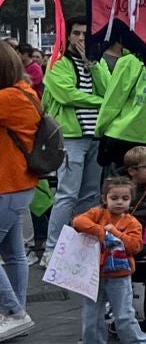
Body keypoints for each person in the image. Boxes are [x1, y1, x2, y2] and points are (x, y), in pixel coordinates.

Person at [70, 173, 146, 344]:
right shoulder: (97, 214)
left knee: (123, 312)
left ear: (130, 200)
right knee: (91, 313)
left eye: (124, 198)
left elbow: (135, 246)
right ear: (104, 199)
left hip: (120, 274)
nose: (119, 202)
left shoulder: (132, 222)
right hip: (94, 273)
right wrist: (102, 232)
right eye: (114, 198)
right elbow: (78, 222)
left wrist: (114, 233)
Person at [43, 20, 106, 248]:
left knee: (90, 195)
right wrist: (101, 103)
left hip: (95, 136)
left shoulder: (96, 62)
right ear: (67, 35)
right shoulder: (57, 62)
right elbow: (66, 95)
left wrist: (93, 66)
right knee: (67, 194)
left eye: (86, 34)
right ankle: (52, 247)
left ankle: (82, 246)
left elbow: (109, 89)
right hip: (71, 137)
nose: (81, 38)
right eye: (77, 33)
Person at [0, 42, 42, 341]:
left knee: (14, 254)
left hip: (7, 184)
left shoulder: (8, 98)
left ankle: (13, 312)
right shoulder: (23, 92)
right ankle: (15, 313)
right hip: (18, 184)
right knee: (14, 254)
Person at [95, 56, 146, 173]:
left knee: (120, 186)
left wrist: (100, 131)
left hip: (122, 136)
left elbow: (113, 102)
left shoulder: (129, 61)